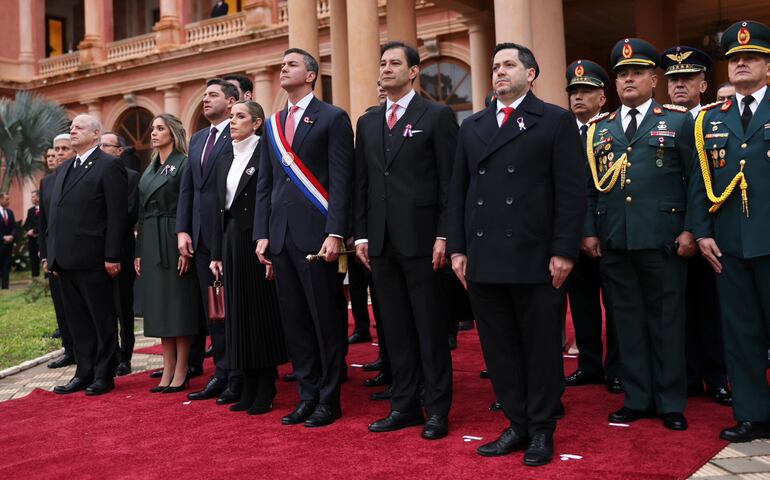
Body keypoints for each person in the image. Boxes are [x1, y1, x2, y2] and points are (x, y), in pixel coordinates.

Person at [447, 42, 586, 466]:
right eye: (495, 66)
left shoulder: (555, 121)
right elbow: (458, 194)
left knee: (540, 349)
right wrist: (457, 248)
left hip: (535, 256)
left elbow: (571, 192)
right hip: (485, 256)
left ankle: (542, 429)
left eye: (509, 64)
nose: (499, 72)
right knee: (500, 350)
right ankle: (517, 423)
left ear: (531, 73)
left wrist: (563, 250)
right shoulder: (472, 126)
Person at [582, 38, 696, 431]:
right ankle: (637, 398)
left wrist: (690, 229)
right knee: (626, 323)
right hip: (615, 239)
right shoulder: (600, 128)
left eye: (636, 72)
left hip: (664, 238)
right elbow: (589, 187)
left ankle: (670, 402)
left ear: (653, 78)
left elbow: (695, 181)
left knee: (667, 322)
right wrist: (589, 231)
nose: (628, 79)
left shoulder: (679, 121)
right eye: (622, 74)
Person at [354, 41, 456, 440]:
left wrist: (446, 234)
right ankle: (405, 405)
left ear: (414, 71)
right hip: (380, 243)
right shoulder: (368, 122)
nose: (387, 68)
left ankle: (437, 409)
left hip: (423, 241)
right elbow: (363, 185)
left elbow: (450, 182)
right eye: (382, 63)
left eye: (395, 63)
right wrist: (361, 234)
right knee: (394, 330)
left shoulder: (437, 115)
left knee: (429, 329)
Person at [255, 48, 353, 428]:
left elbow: (342, 181)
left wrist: (337, 231)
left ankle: (330, 399)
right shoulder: (273, 124)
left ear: (311, 75)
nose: (283, 68)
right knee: (295, 322)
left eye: (292, 64)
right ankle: (307, 395)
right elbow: (266, 182)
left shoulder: (333, 118)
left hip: (319, 236)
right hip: (280, 238)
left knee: (325, 320)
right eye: (281, 64)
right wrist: (262, 233)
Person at [690, 20, 770, 442]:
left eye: (751, 57)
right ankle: (753, 414)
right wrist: (701, 232)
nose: (740, 64)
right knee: (741, 334)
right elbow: (699, 183)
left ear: (768, 66)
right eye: (735, 59)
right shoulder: (709, 120)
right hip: (730, 245)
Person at [660, 45, 732, 407]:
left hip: (713, 229)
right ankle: (686, 375)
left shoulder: (717, 118)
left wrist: (698, 227)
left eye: (687, 78)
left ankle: (717, 376)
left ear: (704, 83)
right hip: (669, 230)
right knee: (678, 307)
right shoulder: (661, 122)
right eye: (673, 79)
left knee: (712, 306)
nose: (679, 85)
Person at [209, 100, 288, 414]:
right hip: (230, 240)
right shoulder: (225, 155)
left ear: (257, 123)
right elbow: (218, 207)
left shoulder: (265, 152)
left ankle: (266, 385)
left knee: (259, 312)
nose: (233, 121)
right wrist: (215, 251)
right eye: (231, 116)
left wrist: (265, 236)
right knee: (238, 314)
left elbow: (270, 196)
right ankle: (247, 383)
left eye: (240, 116)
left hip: (256, 239)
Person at [46, 114, 127, 396]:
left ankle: (104, 374)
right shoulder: (65, 168)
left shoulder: (109, 165)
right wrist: (53, 255)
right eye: (71, 128)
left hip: (95, 258)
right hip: (66, 260)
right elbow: (57, 215)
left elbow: (117, 215)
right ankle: (84, 371)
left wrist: (113, 255)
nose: (73, 131)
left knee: (101, 319)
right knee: (78, 322)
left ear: (95, 134)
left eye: (79, 127)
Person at [177, 78, 241, 404]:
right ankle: (221, 372)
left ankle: (240, 372)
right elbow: (188, 188)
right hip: (200, 238)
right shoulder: (198, 138)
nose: (205, 100)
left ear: (231, 103)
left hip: (230, 235)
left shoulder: (240, 133)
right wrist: (182, 230)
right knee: (213, 310)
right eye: (203, 95)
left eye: (213, 95)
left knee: (234, 309)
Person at [563, 59, 623, 394]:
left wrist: (595, 229)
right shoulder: (561, 130)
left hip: (609, 231)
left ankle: (616, 367)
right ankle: (589, 364)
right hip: (572, 234)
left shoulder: (614, 129)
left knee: (615, 305)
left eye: (586, 91)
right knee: (582, 303)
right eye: (574, 92)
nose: (578, 97)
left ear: (602, 97)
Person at [136, 114, 200, 393]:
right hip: (150, 238)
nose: (153, 133)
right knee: (160, 307)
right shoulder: (150, 167)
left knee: (177, 305)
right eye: (152, 128)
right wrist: (138, 251)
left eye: (160, 128)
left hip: (173, 237)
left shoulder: (183, 163)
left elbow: (189, 204)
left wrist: (185, 244)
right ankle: (168, 366)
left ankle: (183, 368)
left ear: (173, 133)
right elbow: (141, 211)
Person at [102, 132, 140, 376]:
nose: (102, 149)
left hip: (121, 250)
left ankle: (125, 355)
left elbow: (129, 213)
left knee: (122, 306)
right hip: (95, 251)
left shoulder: (132, 177)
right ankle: (110, 353)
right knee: (104, 307)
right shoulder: (93, 175)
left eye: (107, 145)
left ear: (119, 151)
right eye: (100, 145)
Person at [40, 134, 77, 368]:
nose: (59, 153)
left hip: (79, 252)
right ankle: (69, 349)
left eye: (65, 148)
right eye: (56, 149)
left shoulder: (81, 176)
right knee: (61, 305)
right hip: (54, 255)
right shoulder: (47, 183)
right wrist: (44, 255)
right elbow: (43, 224)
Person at [23, 191, 41, 278]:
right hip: (32, 240)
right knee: (33, 258)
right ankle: (35, 277)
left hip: (41, 239)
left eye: (33, 196)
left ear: (39, 197)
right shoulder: (30, 211)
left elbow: (44, 223)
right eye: (31, 197)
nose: (32, 199)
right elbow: (26, 224)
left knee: (43, 257)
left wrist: (34, 231)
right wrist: (29, 230)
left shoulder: (45, 209)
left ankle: (47, 278)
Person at [0, 192, 15, 289]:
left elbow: (14, 226)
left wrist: (11, 236)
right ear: (0, 199)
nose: (8, 201)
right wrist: (3, 238)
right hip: (0, 243)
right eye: (7, 199)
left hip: (8, 244)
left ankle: (5, 287)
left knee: (6, 265)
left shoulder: (10, 212)